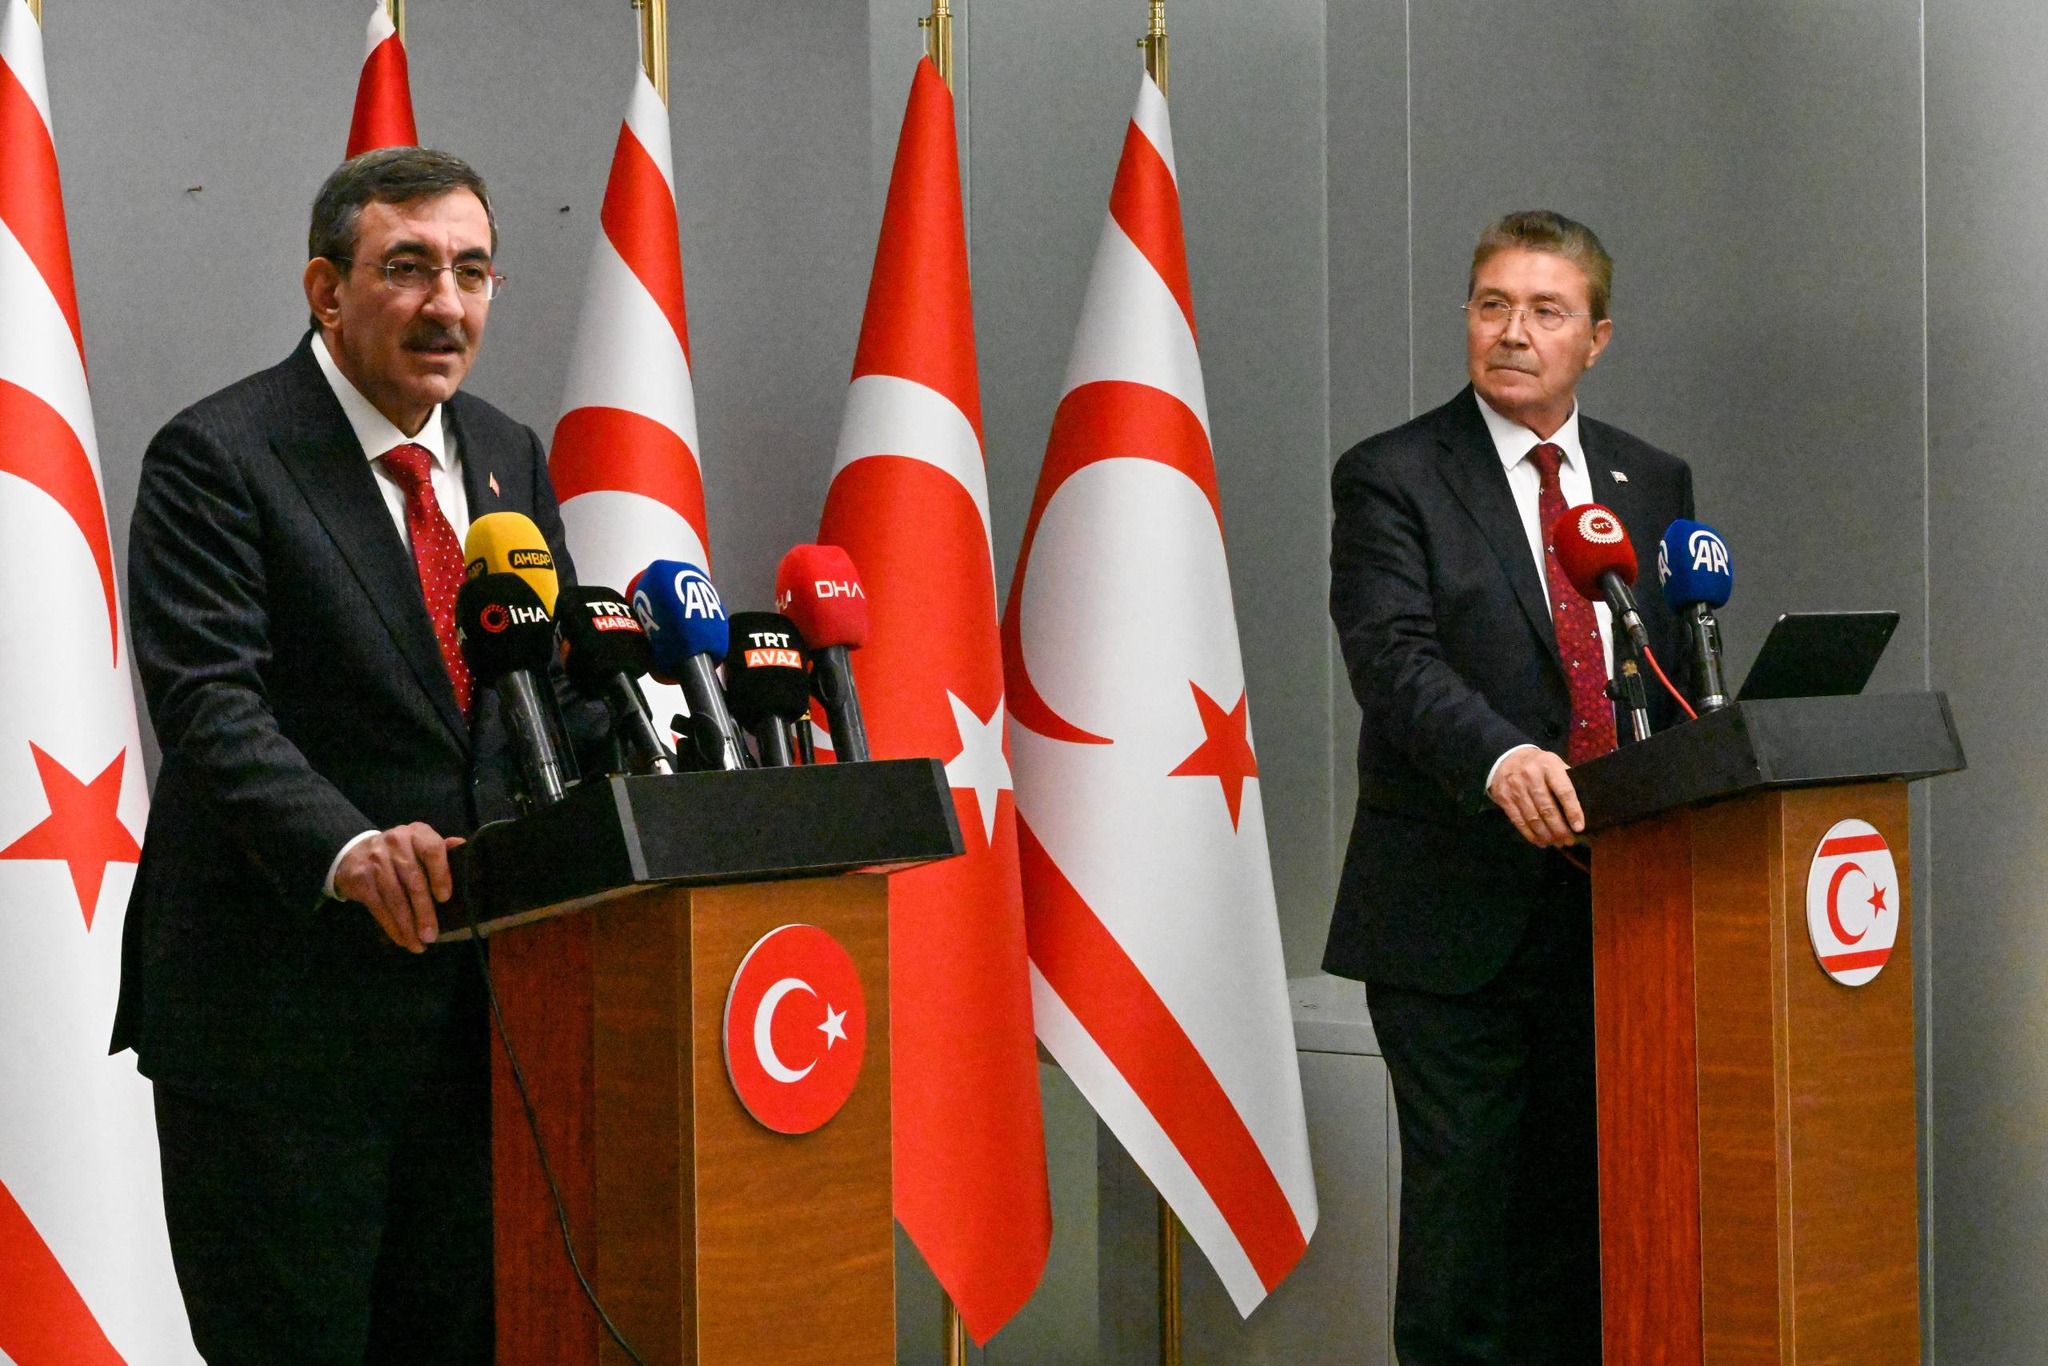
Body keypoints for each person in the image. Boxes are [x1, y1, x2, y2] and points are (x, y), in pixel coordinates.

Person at [113, 147, 583, 1365]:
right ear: (326, 290)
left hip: (477, 1026)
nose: (447, 304)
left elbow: (545, 692)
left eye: (473, 271)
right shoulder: (220, 454)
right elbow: (211, 704)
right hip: (282, 1032)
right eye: (408, 267)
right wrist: (349, 845)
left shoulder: (507, 453)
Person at [1323, 210, 1695, 1364]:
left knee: (1579, 1238)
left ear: (1596, 337)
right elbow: (1391, 660)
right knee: (1465, 1253)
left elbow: (1667, 671)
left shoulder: (1649, 479)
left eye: (1544, 310)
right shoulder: (1392, 474)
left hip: (1612, 916)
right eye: (1491, 305)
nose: (1512, 332)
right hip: (1452, 921)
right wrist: (1499, 761)